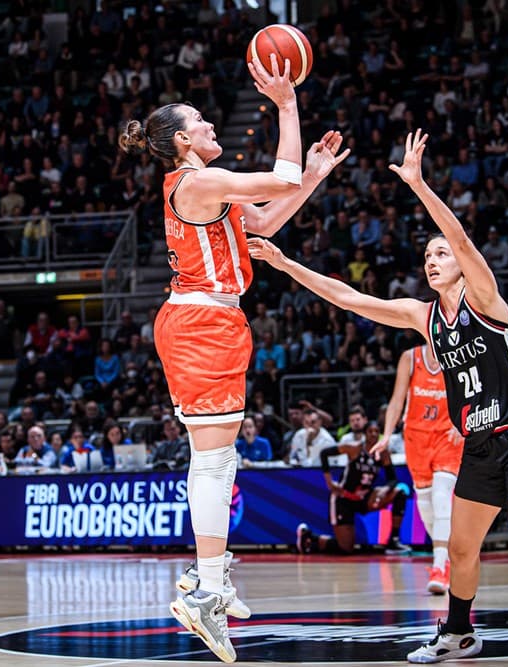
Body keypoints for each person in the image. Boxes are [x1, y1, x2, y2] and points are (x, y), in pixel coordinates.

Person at [248, 130, 508, 666]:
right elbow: (350, 298)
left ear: (458, 263)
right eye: (427, 255)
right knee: (459, 550)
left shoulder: (485, 299)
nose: (433, 260)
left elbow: (459, 238)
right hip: (478, 448)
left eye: (440, 254)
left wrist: (418, 184)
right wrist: (284, 264)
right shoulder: (423, 317)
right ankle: (459, 633)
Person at [118, 51, 348, 663]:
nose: (212, 126)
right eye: (201, 122)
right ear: (180, 141)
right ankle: (207, 588)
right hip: (200, 323)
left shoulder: (204, 188)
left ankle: (206, 578)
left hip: (210, 320)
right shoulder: (196, 182)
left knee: (221, 457)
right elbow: (279, 178)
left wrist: (316, 174)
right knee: (215, 463)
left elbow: (269, 217)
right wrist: (288, 104)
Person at [383, 343, 463, 594]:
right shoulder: (410, 357)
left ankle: (440, 566)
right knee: (425, 504)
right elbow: (397, 401)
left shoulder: (459, 355)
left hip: (447, 436)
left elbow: (473, 392)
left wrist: (463, 421)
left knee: (441, 497)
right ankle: (447, 556)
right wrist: (386, 435)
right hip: (416, 437)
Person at [296, 421, 409, 555]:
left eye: (376, 432)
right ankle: (309, 538)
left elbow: (393, 479)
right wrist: (329, 482)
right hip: (345, 499)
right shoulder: (354, 449)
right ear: (365, 434)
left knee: (400, 492)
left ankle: (393, 541)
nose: (373, 434)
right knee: (346, 548)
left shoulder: (383, 454)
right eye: (370, 431)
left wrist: (385, 489)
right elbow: (325, 453)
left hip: (365, 498)